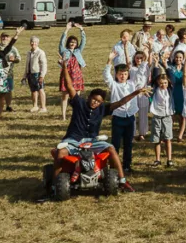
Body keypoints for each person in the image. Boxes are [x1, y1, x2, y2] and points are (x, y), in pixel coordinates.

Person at [52, 62, 144, 192]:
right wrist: (65, 68)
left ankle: (122, 180)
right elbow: (69, 86)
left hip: (91, 141)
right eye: (94, 99)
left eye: (99, 101)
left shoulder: (102, 109)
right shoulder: (79, 104)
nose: (95, 102)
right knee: (60, 152)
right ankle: (55, 185)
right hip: (73, 139)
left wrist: (136, 92)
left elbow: (121, 102)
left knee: (111, 148)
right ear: (89, 97)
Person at [104, 50, 138, 174]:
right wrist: (109, 61)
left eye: (125, 73)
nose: (123, 76)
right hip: (118, 118)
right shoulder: (113, 85)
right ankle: (114, 167)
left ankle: (127, 165)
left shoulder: (132, 84)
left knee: (128, 144)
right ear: (116, 75)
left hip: (130, 117)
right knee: (116, 144)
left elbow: (139, 73)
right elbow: (106, 76)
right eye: (120, 74)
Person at [58, 22, 87, 120]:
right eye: (71, 42)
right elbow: (61, 41)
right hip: (66, 75)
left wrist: (81, 29)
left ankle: (76, 115)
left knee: (76, 98)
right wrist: (66, 30)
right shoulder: (64, 51)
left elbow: (84, 41)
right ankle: (63, 116)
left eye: (74, 42)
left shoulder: (78, 51)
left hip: (77, 75)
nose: (72, 44)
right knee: (65, 96)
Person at [148, 65, 174, 167]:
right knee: (156, 138)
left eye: (165, 83)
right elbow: (154, 78)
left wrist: (165, 65)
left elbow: (172, 77)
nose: (163, 85)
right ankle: (157, 159)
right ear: (158, 83)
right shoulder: (154, 89)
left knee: (168, 138)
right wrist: (155, 64)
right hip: (157, 116)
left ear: (168, 83)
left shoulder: (170, 90)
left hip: (167, 116)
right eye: (161, 83)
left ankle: (169, 159)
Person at [129, 51, 152, 141]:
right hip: (134, 93)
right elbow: (135, 81)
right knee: (133, 115)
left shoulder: (146, 67)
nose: (139, 60)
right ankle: (133, 134)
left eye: (141, 58)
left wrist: (150, 48)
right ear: (134, 59)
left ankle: (142, 133)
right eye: (137, 58)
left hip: (144, 93)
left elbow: (150, 62)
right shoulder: (132, 69)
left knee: (143, 115)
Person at [24, 36, 48, 113]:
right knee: (33, 90)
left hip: (38, 74)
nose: (33, 43)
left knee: (40, 89)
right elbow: (27, 65)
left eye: (35, 42)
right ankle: (35, 106)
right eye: (32, 41)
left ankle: (43, 107)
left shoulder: (40, 52)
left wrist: (42, 76)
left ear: (37, 43)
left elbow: (44, 65)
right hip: (30, 74)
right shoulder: (28, 53)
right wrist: (25, 75)